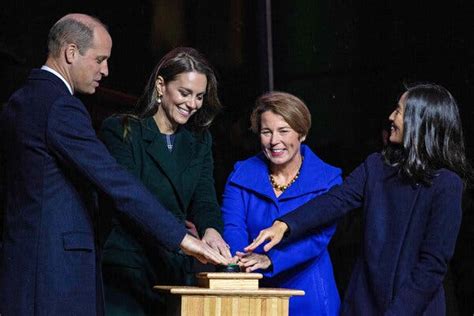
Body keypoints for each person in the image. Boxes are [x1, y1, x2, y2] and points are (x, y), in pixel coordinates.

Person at [0, 14, 228, 316]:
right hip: (56, 271)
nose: (105, 70)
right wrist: (183, 238)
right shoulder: (61, 107)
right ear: (71, 53)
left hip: (29, 264)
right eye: (99, 60)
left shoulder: (23, 99)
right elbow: (116, 185)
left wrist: (207, 229)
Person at [246, 83, 473, 316]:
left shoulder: (447, 184)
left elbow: (432, 266)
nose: (391, 117)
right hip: (364, 306)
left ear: (421, 122)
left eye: (399, 111)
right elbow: (335, 200)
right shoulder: (376, 166)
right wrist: (284, 225)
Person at [99, 47, 231, 315]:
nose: (192, 104)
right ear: (161, 86)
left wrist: (211, 229)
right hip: (128, 270)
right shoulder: (122, 130)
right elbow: (131, 201)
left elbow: (204, 197)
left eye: (199, 97)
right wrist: (184, 238)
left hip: (174, 272)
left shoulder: (199, 140)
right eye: (185, 93)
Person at [221, 91, 342, 315]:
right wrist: (241, 263)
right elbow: (233, 227)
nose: (274, 141)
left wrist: (270, 260)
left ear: (302, 134)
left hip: (309, 295)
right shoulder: (241, 174)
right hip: (253, 289)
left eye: (284, 131)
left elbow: (318, 238)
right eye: (266, 132)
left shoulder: (328, 179)